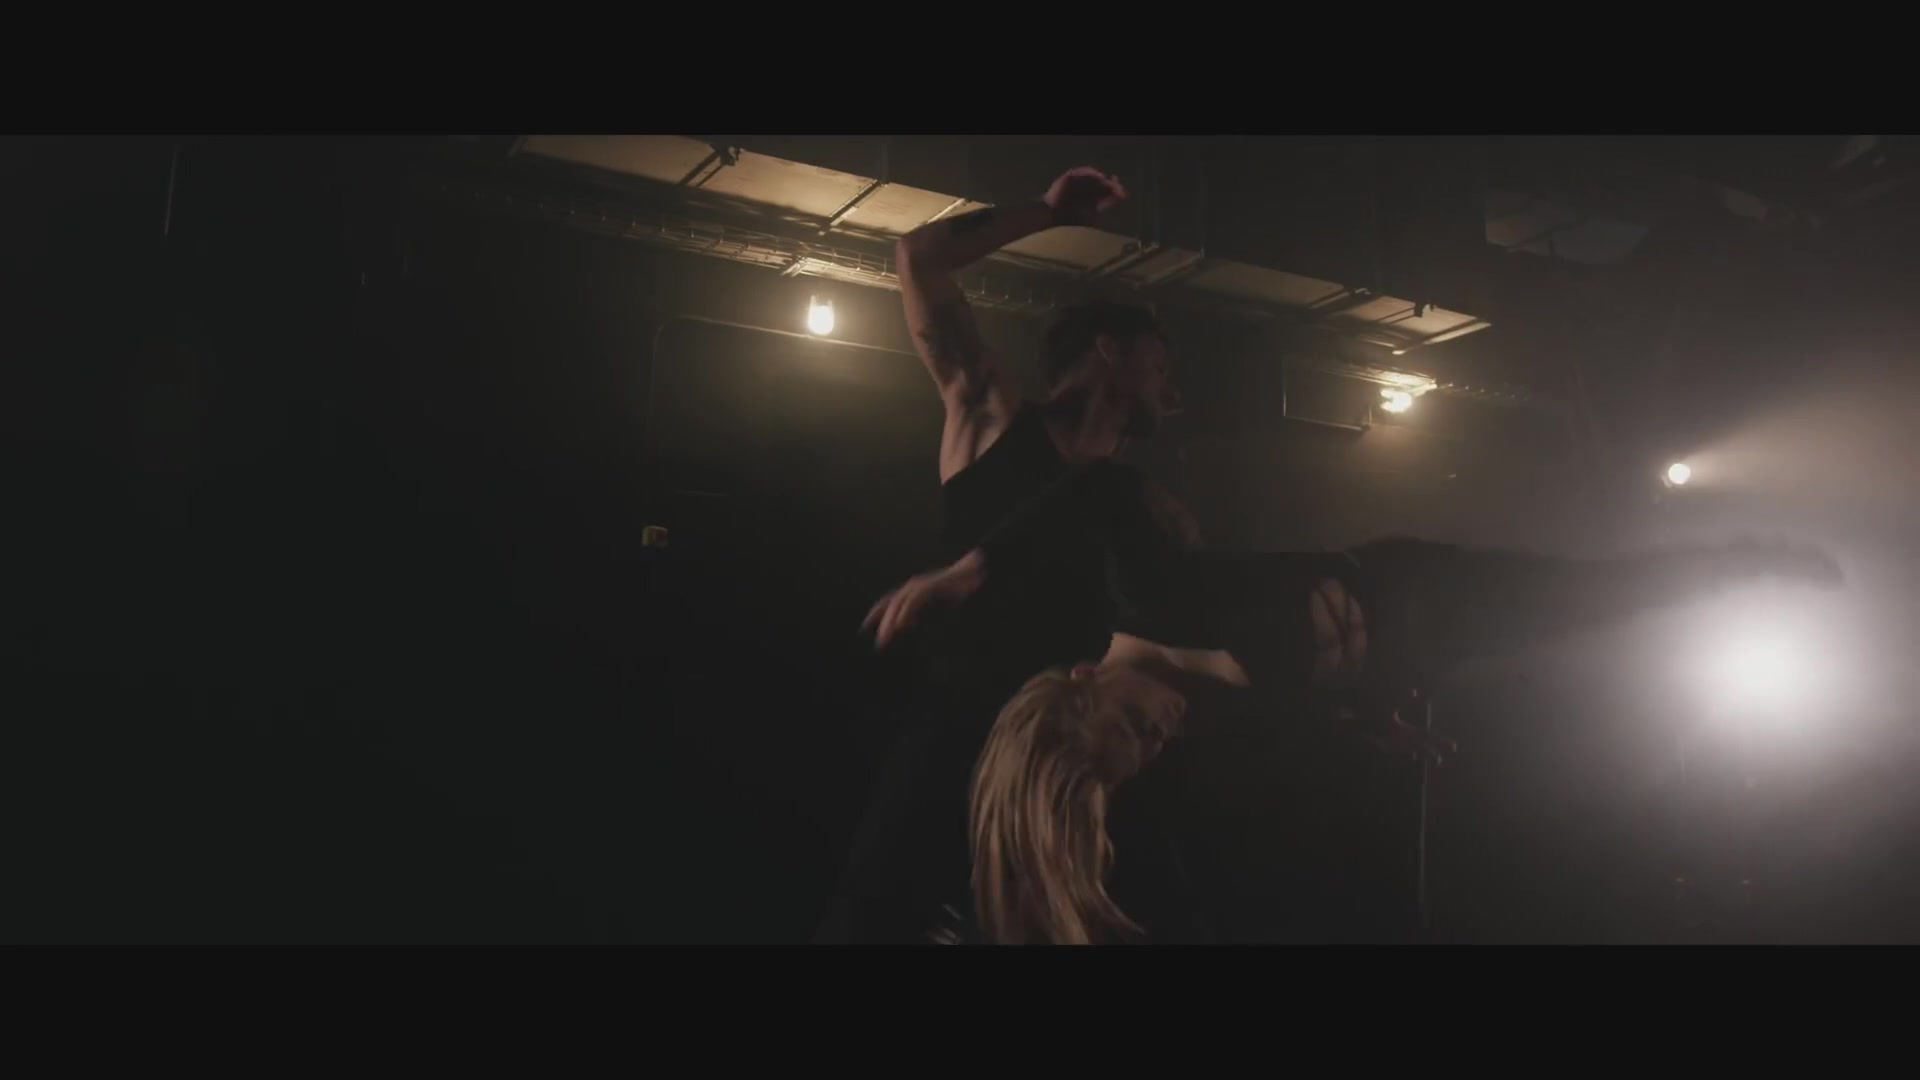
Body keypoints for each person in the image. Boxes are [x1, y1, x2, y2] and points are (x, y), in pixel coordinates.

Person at [864, 460, 1846, 944]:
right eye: (1146, 754)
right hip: (1415, 654)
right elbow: (1299, 713)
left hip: (1415, 587)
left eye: (1130, 726)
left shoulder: (1144, 595)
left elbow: (1100, 487)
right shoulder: (1212, 729)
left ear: (1084, 681)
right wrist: (1369, 723)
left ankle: (1749, 561)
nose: (1159, 734)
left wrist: (969, 569)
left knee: (1581, 594)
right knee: (1590, 672)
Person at [812, 167, 1187, 944]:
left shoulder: (1142, 509)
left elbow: (1192, 636)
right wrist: (1047, 212)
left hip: (1060, 777)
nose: (1171, 389)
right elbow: (918, 256)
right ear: (1108, 350)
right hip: (946, 749)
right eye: (1159, 364)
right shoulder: (991, 418)